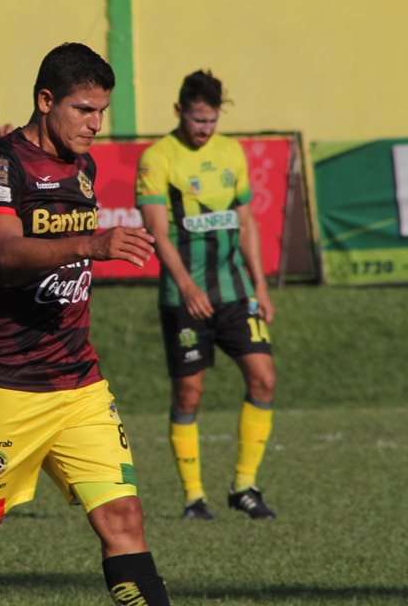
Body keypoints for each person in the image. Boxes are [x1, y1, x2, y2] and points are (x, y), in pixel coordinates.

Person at [0, 43, 170, 606]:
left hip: (79, 382)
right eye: (83, 109)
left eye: (102, 111)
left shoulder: (84, 164)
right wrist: (92, 243)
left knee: (124, 517)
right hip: (5, 380)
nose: (96, 124)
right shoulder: (0, 163)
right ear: (45, 100)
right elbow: (5, 250)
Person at [135, 69, 277, 521]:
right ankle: (194, 498)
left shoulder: (231, 152)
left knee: (264, 377)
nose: (205, 130)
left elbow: (247, 221)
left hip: (235, 291)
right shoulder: (157, 158)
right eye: (198, 120)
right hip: (185, 298)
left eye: (211, 121)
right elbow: (158, 232)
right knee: (189, 395)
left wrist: (259, 285)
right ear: (180, 111)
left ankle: (244, 487)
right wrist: (188, 286)